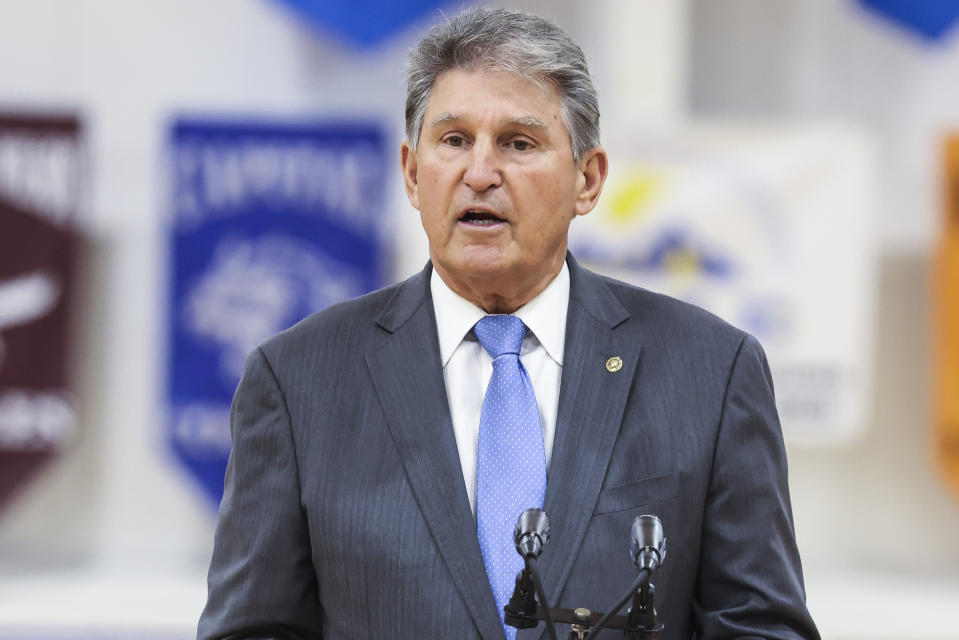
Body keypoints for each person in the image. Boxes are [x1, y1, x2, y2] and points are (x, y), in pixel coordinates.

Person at [198, 7, 819, 640]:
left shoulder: (710, 371)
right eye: (454, 140)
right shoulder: (299, 379)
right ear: (413, 173)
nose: (480, 173)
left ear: (588, 179)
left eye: (519, 144)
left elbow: (761, 628)